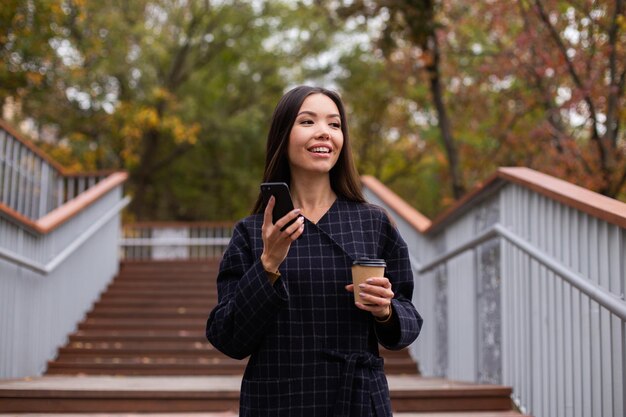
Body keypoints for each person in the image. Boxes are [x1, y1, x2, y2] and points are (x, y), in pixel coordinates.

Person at [206, 85, 422, 417]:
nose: (324, 133)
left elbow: (407, 318)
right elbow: (228, 336)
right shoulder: (252, 232)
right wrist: (268, 263)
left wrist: (385, 311)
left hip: (357, 399)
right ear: (283, 135)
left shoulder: (373, 222)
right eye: (307, 122)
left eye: (334, 125)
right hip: (277, 400)